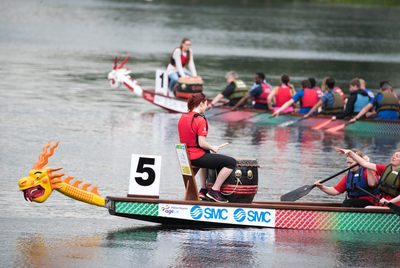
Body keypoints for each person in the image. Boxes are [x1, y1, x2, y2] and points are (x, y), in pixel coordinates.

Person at [178, 93, 236, 203]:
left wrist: (208, 149)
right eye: (206, 104)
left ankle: (203, 190)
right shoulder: (200, 119)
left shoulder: (183, 117)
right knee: (231, 162)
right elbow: (202, 143)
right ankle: (214, 190)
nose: (206, 107)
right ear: (201, 104)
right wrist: (213, 147)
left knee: (206, 153)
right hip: (196, 157)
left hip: (186, 157)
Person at [335, 148, 400, 208]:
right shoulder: (385, 168)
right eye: (393, 155)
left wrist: (390, 202)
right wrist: (350, 153)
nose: (393, 157)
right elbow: (364, 163)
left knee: (368, 207)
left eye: (397, 156)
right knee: (349, 202)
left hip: (395, 206)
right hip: (382, 204)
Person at [314, 149, 378, 208]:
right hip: (356, 204)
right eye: (348, 163)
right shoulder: (349, 175)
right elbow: (335, 191)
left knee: (348, 202)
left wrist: (368, 165)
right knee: (348, 202)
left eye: (351, 163)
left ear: (359, 162)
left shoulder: (368, 171)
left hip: (371, 203)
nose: (348, 166)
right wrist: (321, 187)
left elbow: (372, 184)